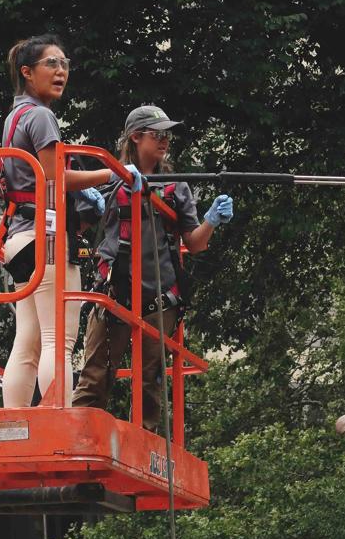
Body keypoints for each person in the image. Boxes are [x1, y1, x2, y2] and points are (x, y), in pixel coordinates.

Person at [1, 34, 142, 408]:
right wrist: (111, 174)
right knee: (57, 339)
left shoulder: (15, 116)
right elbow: (54, 179)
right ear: (27, 72)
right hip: (45, 237)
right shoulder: (42, 116)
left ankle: (15, 419)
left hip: (18, 238)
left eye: (64, 64)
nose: (61, 71)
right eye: (51, 63)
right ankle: (57, 419)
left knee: (28, 339)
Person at [73, 105, 234, 432]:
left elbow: (196, 242)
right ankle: (80, 436)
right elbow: (80, 222)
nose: (165, 141)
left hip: (159, 297)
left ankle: (145, 446)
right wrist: (97, 196)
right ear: (136, 136)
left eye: (168, 135)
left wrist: (211, 221)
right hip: (114, 290)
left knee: (150, 382)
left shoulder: (176, 188)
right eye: (157, 134)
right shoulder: (109, 177)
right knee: (95, 374)